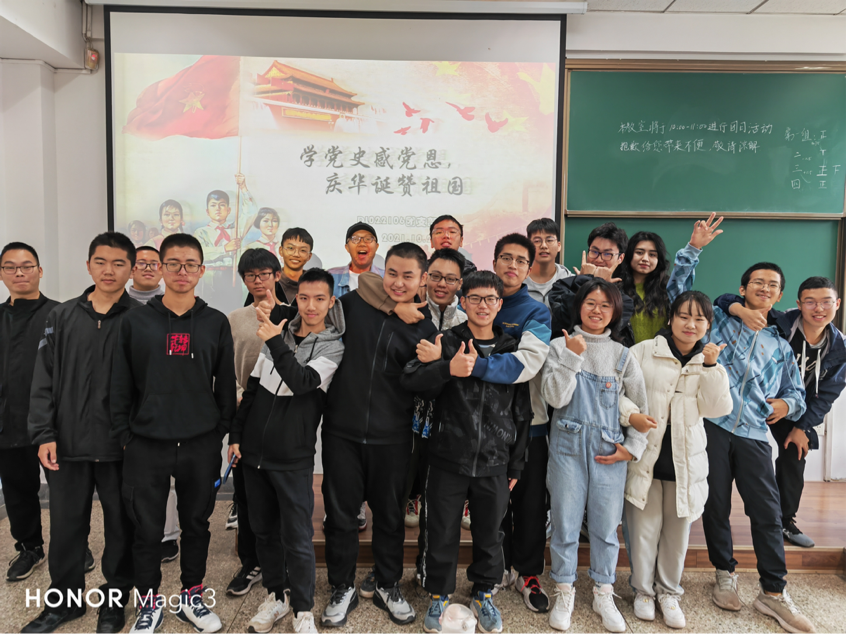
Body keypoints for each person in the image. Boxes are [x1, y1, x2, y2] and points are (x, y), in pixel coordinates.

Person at [111, 233, 237, 634]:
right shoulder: (135, 321)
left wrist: (218, 430)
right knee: (147, 530)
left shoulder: (215, 322)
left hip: (199, 444)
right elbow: (119, 384)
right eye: (174, 264)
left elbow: (225, 385)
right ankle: (149, 605)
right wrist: (125, 435)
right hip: (146, 444)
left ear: (201, 270)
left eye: (190, 264)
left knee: (196, 525)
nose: (182, 271)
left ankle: (191, 598)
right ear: (161, 269)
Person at [402, 271, 532, 634]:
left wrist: (516, 463)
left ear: (499, 304)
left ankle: (484, 593)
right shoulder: (445, 341)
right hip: (447, 457)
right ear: (463, 302)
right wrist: (446, 368)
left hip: (495, 460)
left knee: (490, 533)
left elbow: (522, 411)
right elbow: (412, 381)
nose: (482, 305)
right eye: (475, 298)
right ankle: (438, 595)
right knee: (440, 530)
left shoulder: (511, 350)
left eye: (490, 299)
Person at [25, 232, 139, 634]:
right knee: (66, 529)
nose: (109, 270)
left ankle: (114, 602)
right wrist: (44, 433)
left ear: (131, 269)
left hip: (120, 447)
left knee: (121, 529)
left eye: (118, 263)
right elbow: (43, 379)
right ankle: (64, 603)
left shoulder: (141, 319)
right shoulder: (62, 317)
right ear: (88, 265)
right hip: (67, 445)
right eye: (101, 262)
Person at [320, 243, 436, 629]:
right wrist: (390, 304)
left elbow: (429, 386)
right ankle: (341, 586)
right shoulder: (352, 305)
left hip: (393, 436)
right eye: (392, 274)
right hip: (341, 431)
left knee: (389, 517)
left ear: (423, 279)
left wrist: (436, 364)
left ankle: (388, 583)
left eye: (408, 276)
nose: (398, 283)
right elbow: (362, 284)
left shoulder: (424, 327)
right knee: (340, 517)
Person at [230, 268, 345, 634]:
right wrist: (236, 435)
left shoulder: (332, 346)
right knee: (263, 532)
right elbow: (252, 390)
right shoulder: (279, 334)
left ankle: (303, 609)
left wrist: (275, 341)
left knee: (297, 537)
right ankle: (276, 596)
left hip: (293, 457)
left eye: (319, 299)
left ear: (331, 302)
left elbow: (302, 382)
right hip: (253, 454)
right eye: (304, 298)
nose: (310, 306)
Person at [702, 263, 814, 634]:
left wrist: (786, 405)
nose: (764, 288)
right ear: (743, 288)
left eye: (772, 285)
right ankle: (724, 573)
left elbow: (797, 394)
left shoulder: (780, 345)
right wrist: (696, 253)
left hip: (753, 433)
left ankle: (773, 591)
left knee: (767, 510)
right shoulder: (718, 321)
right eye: (757, 282)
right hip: (713, 425)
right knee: (715, 504)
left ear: (780, 296)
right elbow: (693, 296)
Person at [541, 278, 649, 633]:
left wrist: (632, 449)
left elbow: (642, 408)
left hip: (608, 452)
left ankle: (604, 592)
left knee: (605, 527)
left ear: (615, 312)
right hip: (566, 449)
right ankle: (564, 589)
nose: (597, 311)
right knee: (565, 523)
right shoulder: (559, 345)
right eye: (590, 303)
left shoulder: (623, 354)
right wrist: (573, 355)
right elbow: (555, 398)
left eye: (605, 305)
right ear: (579, 306)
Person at [623, 291, 733, 629]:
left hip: (686, 462)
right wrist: (631, 416)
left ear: (708, 325)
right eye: (684, 316)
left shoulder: (710, 361)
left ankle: (669, 593)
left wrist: (711, 367)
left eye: (699, 319)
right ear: (670, 318)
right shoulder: (643, 351)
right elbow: (617, 394)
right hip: (646, 456)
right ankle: (643, 591)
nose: (690, 324)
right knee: (643, 530)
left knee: (677, 534)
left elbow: (717, 409)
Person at [715, 276, 846, 549]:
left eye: (826, 302)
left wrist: (802, 426)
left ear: (837, 304)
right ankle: (718, 516)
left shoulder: (840, 347)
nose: (818, 308)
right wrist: (740, 310)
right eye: (810, 302)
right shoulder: (780, 321)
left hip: (794, 407)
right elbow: (723, 299)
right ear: (798, 304)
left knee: (796, 451)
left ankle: (785, 521)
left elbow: (827, 394)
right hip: (755, 399)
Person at [469, 234, 552, 613]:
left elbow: (528, 363)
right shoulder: (476, 301)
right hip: (483, 426)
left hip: (530, 424)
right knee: (492, 505)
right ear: (494, 261)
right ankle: (496, 569)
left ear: (529, 268)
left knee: (530, 505)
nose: (512, 265)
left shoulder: (536, 312)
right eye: (506, 258)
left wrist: (477, 365)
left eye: (521, 260)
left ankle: (528, 573)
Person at [225, 248, 297, 599]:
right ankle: (251, 561)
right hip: (246, 411)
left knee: (285, 493)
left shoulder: (294, 316)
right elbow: (225, 366)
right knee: (246, 495)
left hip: (285, 413)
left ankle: (286, 563)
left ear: (277, 275)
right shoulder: (234, 318)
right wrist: (239, 394)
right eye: (251, 275)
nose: (258, 280)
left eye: (264, 274)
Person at [0, 243, 58, 583]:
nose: (19, 272)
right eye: (10, 267)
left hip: (53, 422)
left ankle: (74, 545)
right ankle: (30, 548)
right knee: (18, 490)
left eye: (26, 266)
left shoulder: (60, 314)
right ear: (2, 274)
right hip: (8, 421)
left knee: (65, 491)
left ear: (39, 271)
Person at [125, 246, 180, 563]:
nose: (147, 268)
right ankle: (138, 535)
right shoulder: (119, 306)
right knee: (133, 480)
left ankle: (168, 535)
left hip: (167, 405)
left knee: (165, 477)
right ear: (131, 269)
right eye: (141, 263)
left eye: (154, 263)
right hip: (129, 404)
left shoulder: (175, 304)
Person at [617, 215, 724, 344]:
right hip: (625, 354)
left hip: (663, 354)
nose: (645, 259)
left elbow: (681, 273)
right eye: (639, 252)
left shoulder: (668, 288)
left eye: (652, 255)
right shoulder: (616, 288)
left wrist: (694, 247)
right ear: (629, 255)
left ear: (659, 259)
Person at [193, 174, 259, 310]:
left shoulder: (236, 230)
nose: (218, 208)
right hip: (210, 279)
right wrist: (224, 248)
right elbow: (199, 255)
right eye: (213, 205)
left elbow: (251, 212)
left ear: (228, 210)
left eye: (222, 205)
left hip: (232, 277)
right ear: (207, 211)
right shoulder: (201, 232)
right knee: (211, 311)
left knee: (233, 311)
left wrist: (243, 187)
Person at [327, 222, 383, 298]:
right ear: (347, 247)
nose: (362, 244)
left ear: (376, 246)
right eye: (355, 239)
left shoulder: (386, 278)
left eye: (368, 239)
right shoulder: (330, 277)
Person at [525, 218, 572, 306]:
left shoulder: (570, 281)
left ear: (559, 246)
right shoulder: (518, 282)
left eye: (549, 240)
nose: (544, 246)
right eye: (537, 241)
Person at [276, 228, 315, 304]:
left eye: (303, 250)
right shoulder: (270, 281)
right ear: (281, 251)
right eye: (291, 248)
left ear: (309, 256)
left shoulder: (315, 284)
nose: (296, 254)